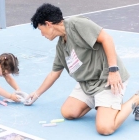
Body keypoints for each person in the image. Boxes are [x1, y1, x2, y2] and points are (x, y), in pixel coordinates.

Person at [25, 3, 139, 135]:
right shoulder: (61, 46)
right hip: (88, 84)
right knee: (68, 112)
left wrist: (113, 70)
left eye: (40, 29)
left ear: (48, 24)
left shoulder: (77, 24)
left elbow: (107, 38)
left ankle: (136, 98)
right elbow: (54, 73)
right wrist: (36, 94)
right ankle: (103, 105)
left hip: (107, 79)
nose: (42, 34)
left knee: (105, 128)